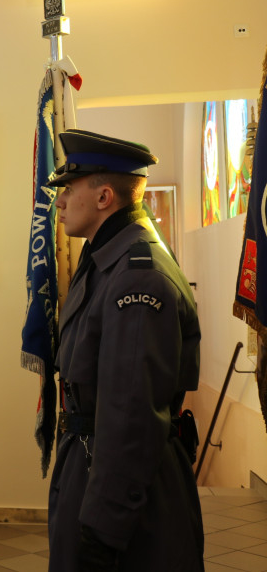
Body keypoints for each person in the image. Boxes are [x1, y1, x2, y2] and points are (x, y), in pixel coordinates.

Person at [47, 129, 202, 571]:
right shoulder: (107, 259)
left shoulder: (137, 276)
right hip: (93, 462)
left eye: (69, 188)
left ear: (104, 197)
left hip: (120, 485)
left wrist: (103, 527)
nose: (58, 201)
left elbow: (131, 415)